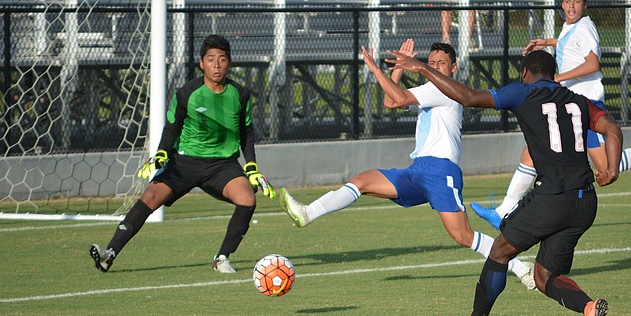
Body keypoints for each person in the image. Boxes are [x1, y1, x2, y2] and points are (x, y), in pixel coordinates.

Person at [387, 49, 623, 316]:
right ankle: (590, 308)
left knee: (500, 251)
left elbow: (468, 97)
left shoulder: (524, 92)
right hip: (585, 202)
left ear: (525, 73)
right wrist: (611, 169)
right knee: (544, 276)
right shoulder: (578, 100)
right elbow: (612, 128)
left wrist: (423, 68)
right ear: (553, 73)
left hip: (552, 197)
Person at [278, 39, 536, 290]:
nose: (435, 67)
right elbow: (391, 101)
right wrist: (399, 69)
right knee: (362, 181)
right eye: (431, 63)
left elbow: (398, 99)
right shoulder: (430, 89)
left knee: (464, 236)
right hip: (418, 170)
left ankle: (520, 267)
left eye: (442, 63)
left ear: (454, 68)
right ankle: (308, 213)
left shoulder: (443, 89)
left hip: (440, 172)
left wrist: (376, 70)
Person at [468, 0, 631, 230]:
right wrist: (548, 42)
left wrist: (556, 79)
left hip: (584, 105)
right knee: (534, 150)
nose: (571, 6)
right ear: (562, 4)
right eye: (567, 1)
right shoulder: (572, 27)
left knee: (606, 166)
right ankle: (503, 211)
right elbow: (572, 43)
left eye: (576, 1)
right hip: (569, 104)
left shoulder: (585, 27)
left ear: (585, 5)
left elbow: (593, 64)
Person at [89, 35, 275, 274]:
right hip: (184, 162)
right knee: (150, 196)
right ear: (201, 63)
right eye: (211, 59)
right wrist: (161, 154)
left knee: (247, 199)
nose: (216, 65)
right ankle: (109, 254)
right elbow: (171, 128)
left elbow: (246, 132)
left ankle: (222, 259)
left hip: (222, 165)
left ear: (229, 62)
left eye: (222, 59)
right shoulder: (187, 93)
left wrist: (251, 167)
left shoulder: (241, 94)